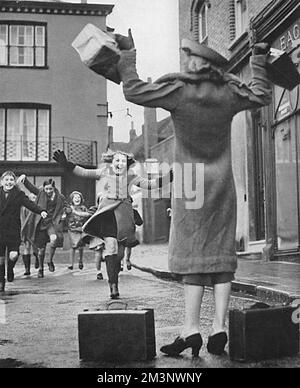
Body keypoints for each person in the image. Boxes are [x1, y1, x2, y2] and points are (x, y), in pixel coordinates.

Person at [114, 31, 272, 356]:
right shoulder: (228, 92)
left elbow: (133, 90)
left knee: (192, 255)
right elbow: (262, 94)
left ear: (195, 62)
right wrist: (257, 59)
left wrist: (128, 53)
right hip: (221, 183)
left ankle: (190, 328)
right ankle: (219, 326)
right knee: (221, 253)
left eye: (188, 57)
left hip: (189, 183)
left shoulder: (179, 90)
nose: (185, 61)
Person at [53, 149, 172, 299]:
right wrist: (66, 164)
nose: (119, 163)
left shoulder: (131, 176)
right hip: (107, 215)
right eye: (117, 160)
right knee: (111, 246)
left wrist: (167, 178)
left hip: (124, 217)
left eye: (123, 161)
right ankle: (113, 285)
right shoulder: (104, 172)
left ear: (126, 164)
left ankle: (114, 271)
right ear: (112, 162)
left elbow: (149, 184)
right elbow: (83, 172)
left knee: (120, 253)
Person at [0, 171, 47, 291]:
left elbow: (30, 204)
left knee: (13, 255)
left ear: (14, 182)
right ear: (2, 181)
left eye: (11, 180)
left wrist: (41, 211)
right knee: (0, 259)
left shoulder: (19, 194)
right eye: (6, 180)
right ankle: (1, 280)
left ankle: (10, 269)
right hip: (0, 229)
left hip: (13, 229)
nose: (9, 182)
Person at [18, 175, 67, 279]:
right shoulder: (40, 193)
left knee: (54, 240)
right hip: (40, 224)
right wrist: (24, 180)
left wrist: (65, 212)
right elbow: (31, 188)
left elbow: (66, 206)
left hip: (51, 224)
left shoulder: (60, 197)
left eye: (50, 189)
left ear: (54, 188)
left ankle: (50, 261)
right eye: (46, 189)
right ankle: (41, 268)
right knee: (41, 249)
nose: (48, 191)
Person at [65, 191, 90, 270]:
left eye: (78, 197)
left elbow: (87, 215)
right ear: (72, 199)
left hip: (81, 229)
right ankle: (70, 263)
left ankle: (80, 260)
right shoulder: (69, 208)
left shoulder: (83, 208)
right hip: (72, 229)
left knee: (80, 245)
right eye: (75, 197)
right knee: (73, 245)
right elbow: (65, 214)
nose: (77, 199)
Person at [20, 192, 39, 276]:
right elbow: (22, 219)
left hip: (36, 231)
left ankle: (37, 258)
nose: (33, 199)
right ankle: (27, 269)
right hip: (27, 230)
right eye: (32, 197)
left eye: (35, 197)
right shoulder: (24, 208)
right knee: (27, 247)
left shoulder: (38, 208)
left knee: (37, 248)